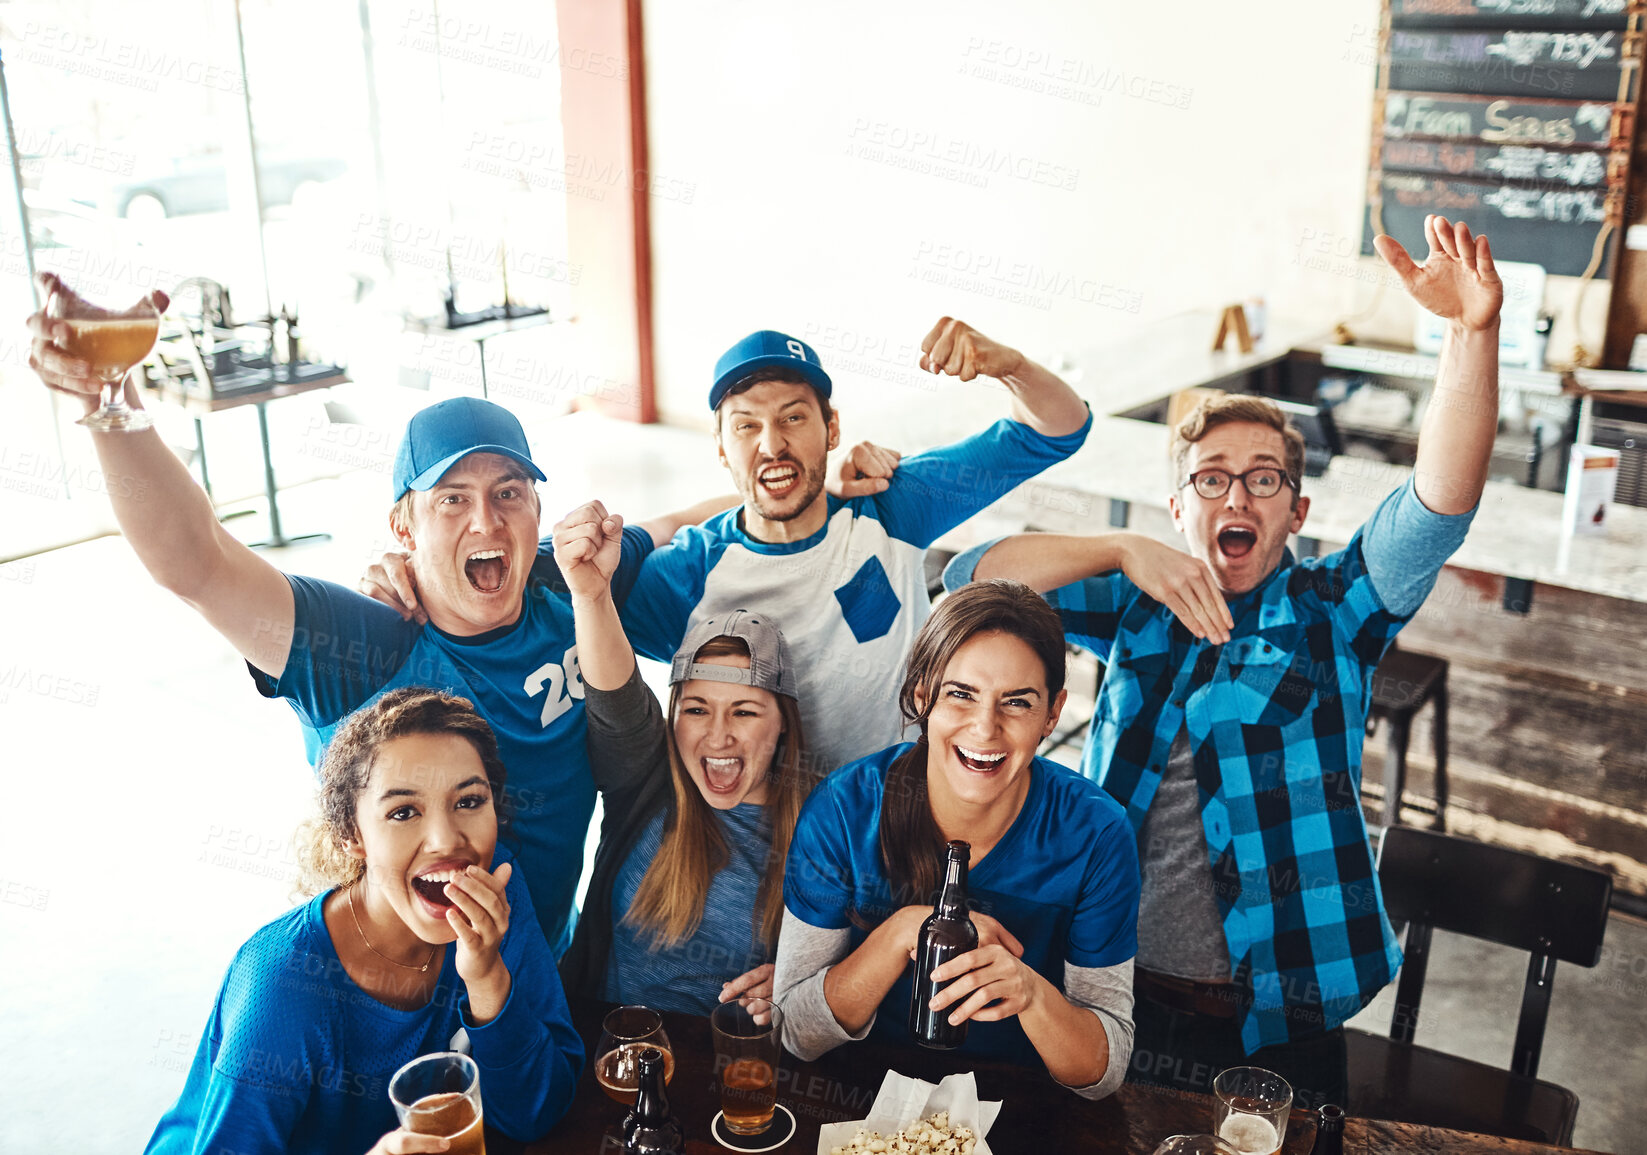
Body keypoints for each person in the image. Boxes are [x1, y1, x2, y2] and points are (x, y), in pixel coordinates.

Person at [939, 216, 1504, 1107]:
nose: (1236, 494)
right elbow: (971, 579)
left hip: (1287, 1007)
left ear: (1296, 508)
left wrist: (1471, 335)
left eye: (1262, 478)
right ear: (1179, 505)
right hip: (1120, 989)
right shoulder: (1134, 602)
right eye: (1211, 477)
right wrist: (1121, 548)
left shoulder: (1336, 608)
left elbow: (1440, 501)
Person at [23, 274, 714, 957]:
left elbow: (680, 521)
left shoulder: (568, 583)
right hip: (402, 984)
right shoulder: (361, 641)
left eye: (509, 491)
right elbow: (196, 562)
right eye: (451, 498)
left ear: (538, 508)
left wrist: (814, 484)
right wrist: (115, 404)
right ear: (402, 527)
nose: (487, 519)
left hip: (537, 967)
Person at [364, 318, 1092, 779]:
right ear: (719, 446)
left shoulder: (893, 507)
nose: (773, 443)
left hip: (897, 810)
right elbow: (534, 591)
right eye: (746, 426)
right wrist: (412, 576)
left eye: (794, 418)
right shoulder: (683, 575)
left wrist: (1009, 363)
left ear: (831, 428)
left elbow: (1058, 430)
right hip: (761, 840)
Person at [145, 687, 584, 1155]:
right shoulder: (282, 983)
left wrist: (487, 978)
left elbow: (535, 1114)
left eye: (469, 801)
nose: (445, 840)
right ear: (352, 835)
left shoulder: (496, 892)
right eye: (403, 812)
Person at [774, 580, 1140, 1099]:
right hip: (856, 1099)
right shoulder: (843, 809)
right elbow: (794, 1031)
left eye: (1016, 703)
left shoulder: (1097, 834)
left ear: (1052, 715)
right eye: (961, 694)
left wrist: (1032, 993)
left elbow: (1103, 1071)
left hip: (1019, 1105)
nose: (985, 728)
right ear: (923, 696)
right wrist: (904, 931)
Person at [546, 502, 810, 1014]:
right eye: (696, 709)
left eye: (745, 712)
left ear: (782, 725)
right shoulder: (649, 780)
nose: (717, 737)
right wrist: (592, 594)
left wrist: (805, 983)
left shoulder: (820, 829)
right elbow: (616, 696)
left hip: (727, 1076)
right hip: (609, 1062)